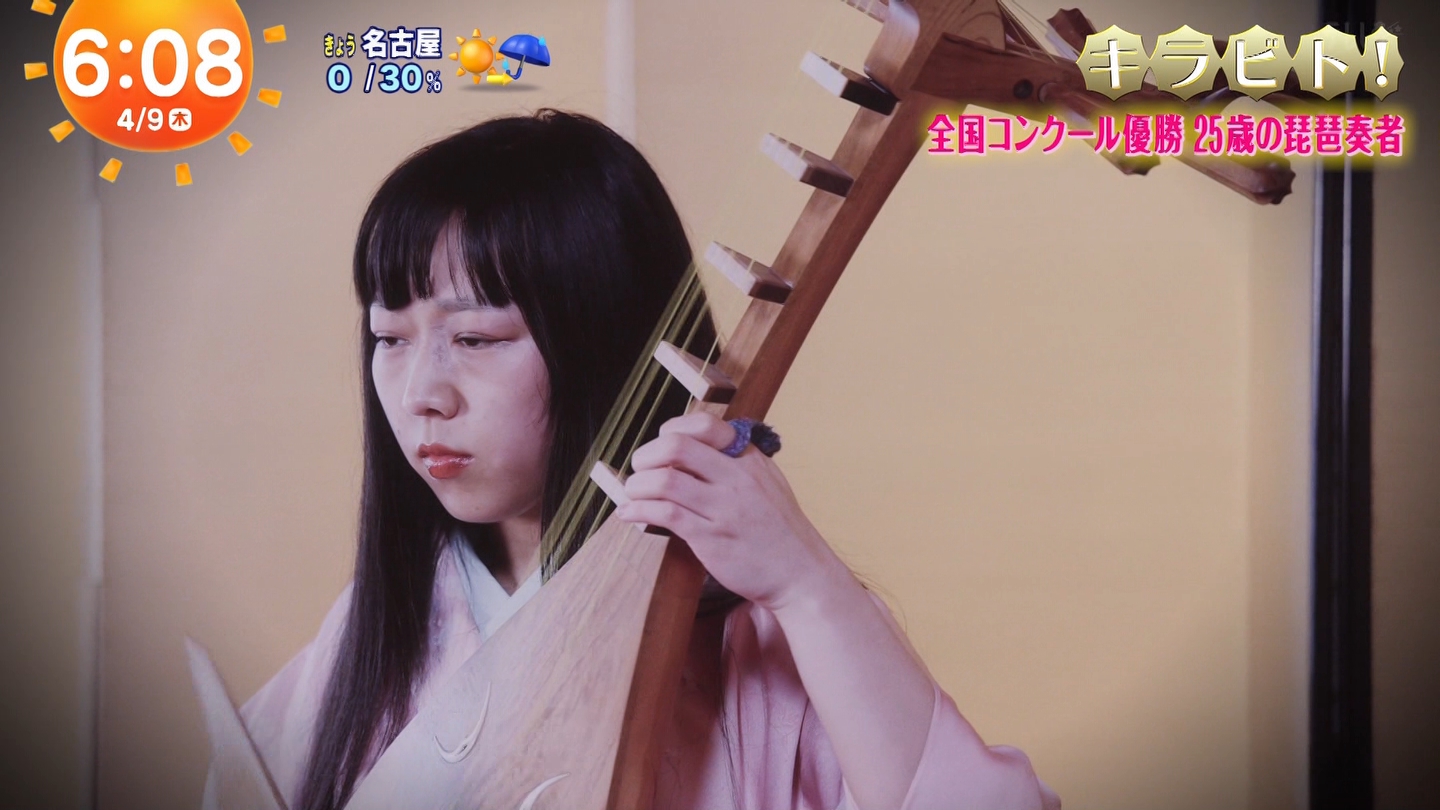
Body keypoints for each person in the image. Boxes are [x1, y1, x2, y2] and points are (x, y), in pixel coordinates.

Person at [210, 109, 1061, 810]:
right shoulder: (387, 619)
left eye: (475, 338)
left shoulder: (753, 637)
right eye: (389, 338)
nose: (420, 393)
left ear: (605, 344)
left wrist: (808, 584)